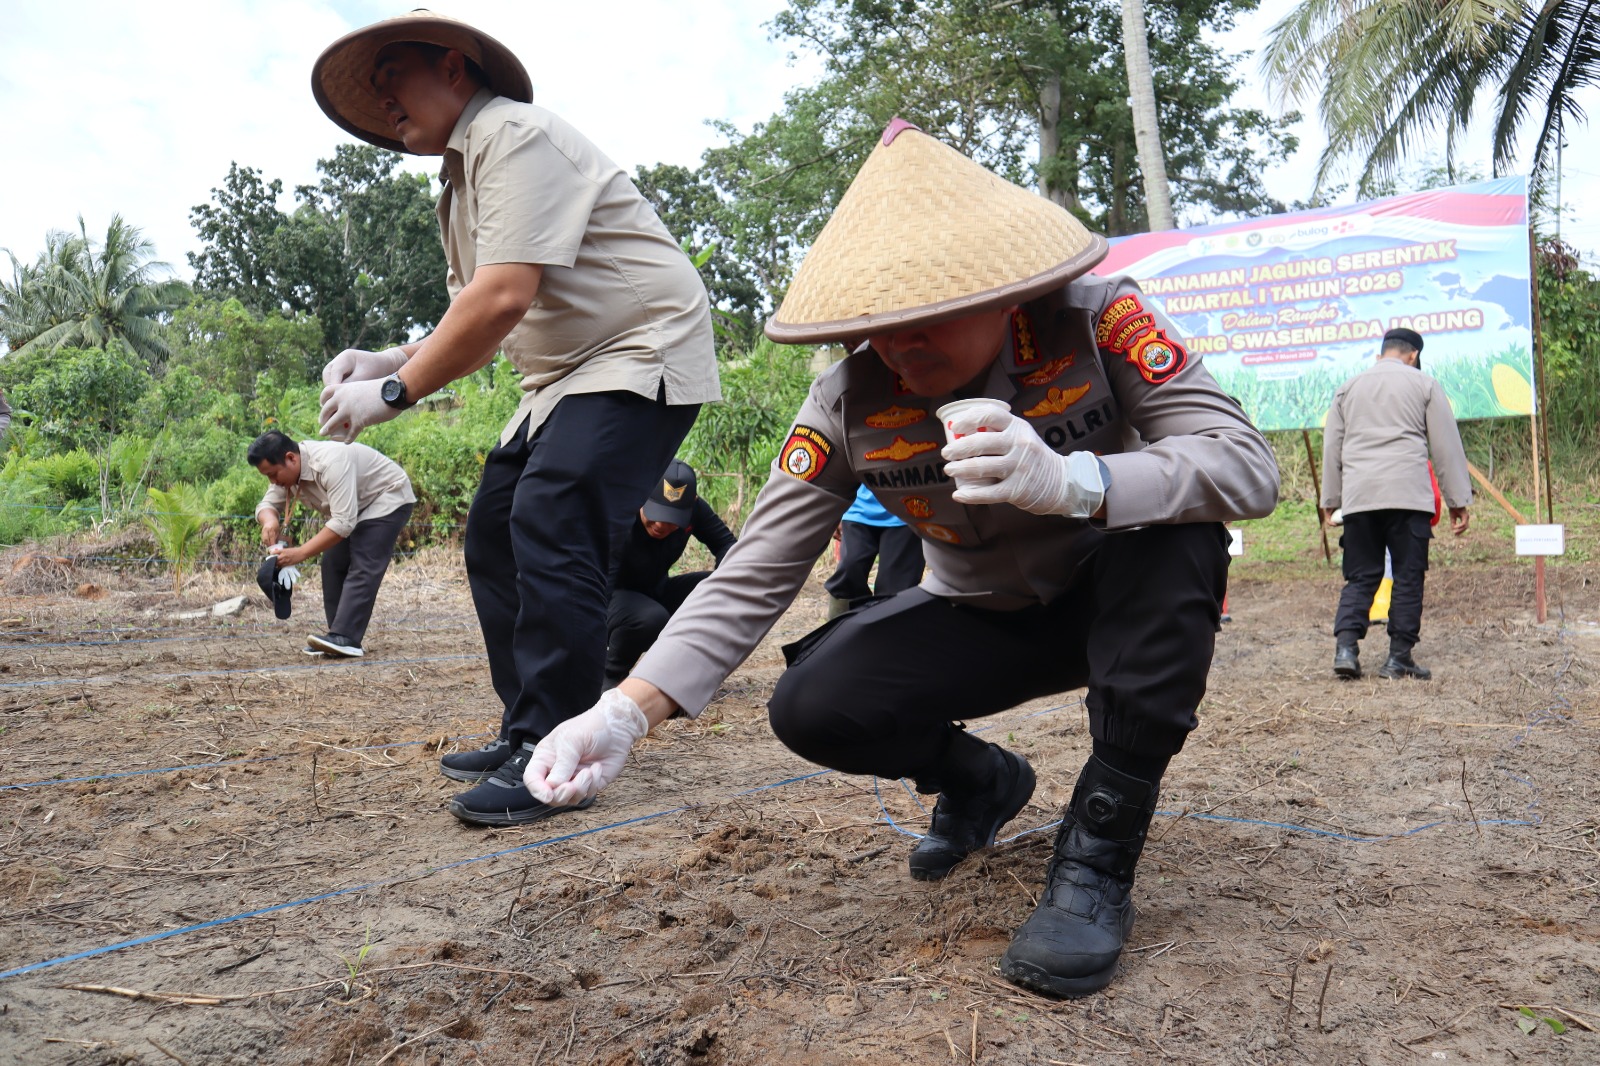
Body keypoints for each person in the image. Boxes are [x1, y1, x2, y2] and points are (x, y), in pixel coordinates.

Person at [522, 120, 1280, 998]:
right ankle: (980, 781)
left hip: (1122, 604)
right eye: (881, 327)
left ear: (1008, 290)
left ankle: (1098, 855)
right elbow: (759, 565)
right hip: (981, 616)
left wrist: (1078, 481)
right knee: (812, 703)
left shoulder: (1102, 323)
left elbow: (1242, 464)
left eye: (931, 319)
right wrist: (622, 714)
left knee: (1181, 535)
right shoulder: (847, 401)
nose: (902, 347)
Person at [309, 12, 719, 825]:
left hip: (640, 348)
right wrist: (389, 359)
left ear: (455, 66)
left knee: (552, 510)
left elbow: (504, 297)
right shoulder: (458, 183)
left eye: (393, 72)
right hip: (560, 377)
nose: (383, 98)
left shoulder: (511, 132)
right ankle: (527, 726)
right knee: (496, 530)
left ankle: (556, 747)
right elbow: (474, 299)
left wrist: (396, 395)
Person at [1321, 329, 1471, 681]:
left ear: (1382, 353)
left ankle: (1346, 649)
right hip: (1408, 496)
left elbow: (1332, 446)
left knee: (1360, 575)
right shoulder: (1425, 385)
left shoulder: (1349, 387)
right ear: (1413, 355)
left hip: (1360, 498)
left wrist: (1330, 499)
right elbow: (1446, 447)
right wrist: (1458, 501)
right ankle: (1399, 657)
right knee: (1407, 575)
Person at [250, 430, 416, 658]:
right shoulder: (286, 474)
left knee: (364, 560)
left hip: (386, 496)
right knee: (332, 563)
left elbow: (343, 523)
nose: (273, 481)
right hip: (354, 509)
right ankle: (336, 638)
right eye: (267, 477)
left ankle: (346, 637)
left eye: (273, 474)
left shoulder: (330, 462)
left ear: (291, 458)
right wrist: (269, 520)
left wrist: (300, 553)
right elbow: (267, 503)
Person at [604, 459, 737, 687]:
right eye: (655, 514)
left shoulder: (695, 509)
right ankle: (610, 676)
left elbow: (727, 546)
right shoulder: (621, 511)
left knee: (724, 590)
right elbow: (604, 582)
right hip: (613, 596)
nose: (660, 526)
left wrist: (717, 590)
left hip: (656, 590)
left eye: (671, 520)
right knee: (651, 618)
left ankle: (682, 677)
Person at [824, 482, 926, 617]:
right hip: (859, 508)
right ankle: (838, 633)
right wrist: (835, 511)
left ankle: (887, 636)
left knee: (895, 590)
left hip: (908, 513)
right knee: (848, 573)